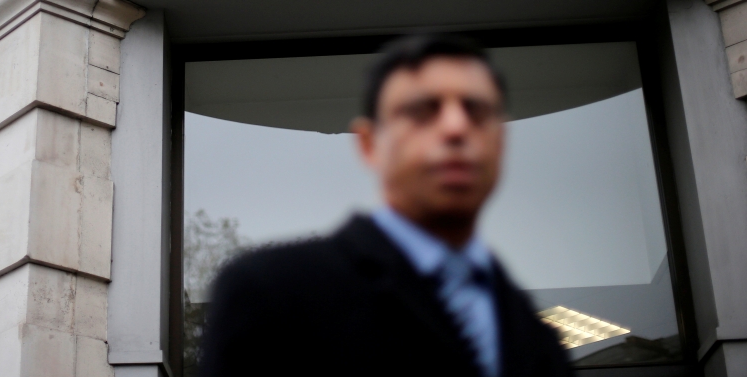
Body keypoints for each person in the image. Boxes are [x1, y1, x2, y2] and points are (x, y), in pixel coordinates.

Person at [198, 35, 571, 377]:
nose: (456, 127)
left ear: (501, 141)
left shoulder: (538, 338)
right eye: (423, 110)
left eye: (476, 111)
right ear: (369, 144)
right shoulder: (271, 293)